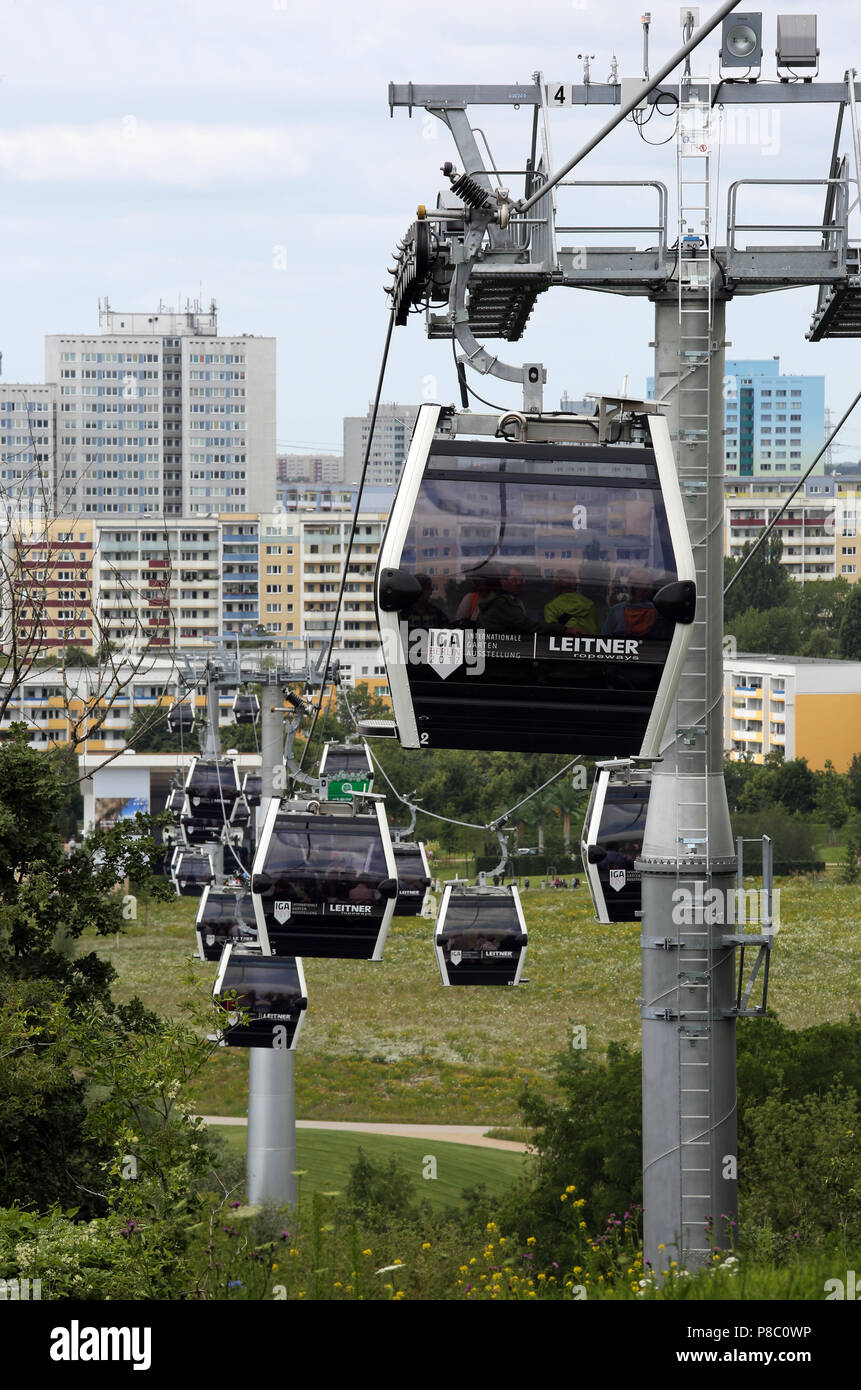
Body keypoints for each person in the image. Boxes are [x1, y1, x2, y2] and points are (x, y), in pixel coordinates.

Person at [602, 568, 672, 641]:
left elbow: (604, 640)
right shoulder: (660, 613)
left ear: (629, 587)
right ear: (649, 588)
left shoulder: (616, 611)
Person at [543, 571, 598, 636]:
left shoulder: (551, 607)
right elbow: (595, 632)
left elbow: (550, 632)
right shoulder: (590, 605)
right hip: (586, 645)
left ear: (555, 586)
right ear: (576, 585)